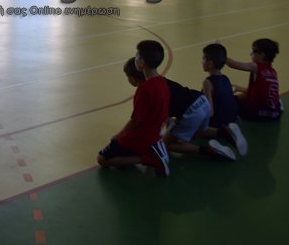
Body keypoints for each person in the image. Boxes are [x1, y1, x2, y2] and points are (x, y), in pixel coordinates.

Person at [117, 58, 239, 161]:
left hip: (191, 111)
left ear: (133, 78)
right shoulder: (158, 80)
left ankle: (209, 151)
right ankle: (224, 132)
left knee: (165, 144)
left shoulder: (146, 91)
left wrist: (120, 135)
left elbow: (146, 119)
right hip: (201, 101)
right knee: (193, 132)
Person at [97, 40, 171, 176]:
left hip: (141, 137)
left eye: (137, 55)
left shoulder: (144, 89)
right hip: (155, 134)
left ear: (142, 62)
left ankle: (149, 158)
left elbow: (135, 121)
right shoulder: (163, 82)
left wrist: (118, 135)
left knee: (102, 158)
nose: (135, 57)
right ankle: (152, 151)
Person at [227, 38, 283, 121]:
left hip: (255, 114)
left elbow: (233, 64)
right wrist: (239, 88)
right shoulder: (273, 71)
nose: (251, 53)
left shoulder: (256, 67)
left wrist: (219, 52)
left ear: (262, 55)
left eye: (253, 50)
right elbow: (259, 91)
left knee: (229, 102)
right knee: (244, 96)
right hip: (274, 114)